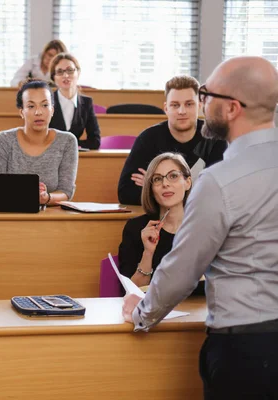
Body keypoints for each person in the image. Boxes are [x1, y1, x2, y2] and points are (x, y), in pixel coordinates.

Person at [122, 56, 278, 399]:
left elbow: (182, 269)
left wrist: (141, 313)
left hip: (248, 350)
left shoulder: (219, 181)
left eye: (206, 95)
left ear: (233, 108)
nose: (202, 103)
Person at [117, 75, 226, 205]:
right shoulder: (148, 139)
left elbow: (218, 192)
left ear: (199, 105)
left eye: (189, 104)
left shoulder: (215, 138)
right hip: (160, 220)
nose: (182, 111)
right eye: (175, 105)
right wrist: (191, 189)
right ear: (166, 108)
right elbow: (126, 193)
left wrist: (154, 186)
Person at [0, 80, 78, 206]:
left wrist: (47, 198)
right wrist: (26, 195)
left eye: (45, 105)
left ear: (52, 110)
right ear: (21, 112)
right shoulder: (3, 140)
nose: (38, 112)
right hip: (9, 213)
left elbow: (66, 192)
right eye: (31, 106)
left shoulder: (67, 141)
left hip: (50, 216)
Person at [119, 152, 199, 291]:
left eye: (173, 176)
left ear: (187, 182)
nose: (165, 184)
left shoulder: (206, 226)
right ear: (151, 189)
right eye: (157, 179)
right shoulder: (136, 228)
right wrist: (148, 253)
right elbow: (132, 292)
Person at [48, 53, 101, 149]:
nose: (66, 75)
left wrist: (71, 146)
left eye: (70, 70)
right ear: (54, 78)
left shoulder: (86, 103)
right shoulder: (46, 102)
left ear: (78, 73)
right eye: (60, 72)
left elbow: (95, 141)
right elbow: (39, 139)